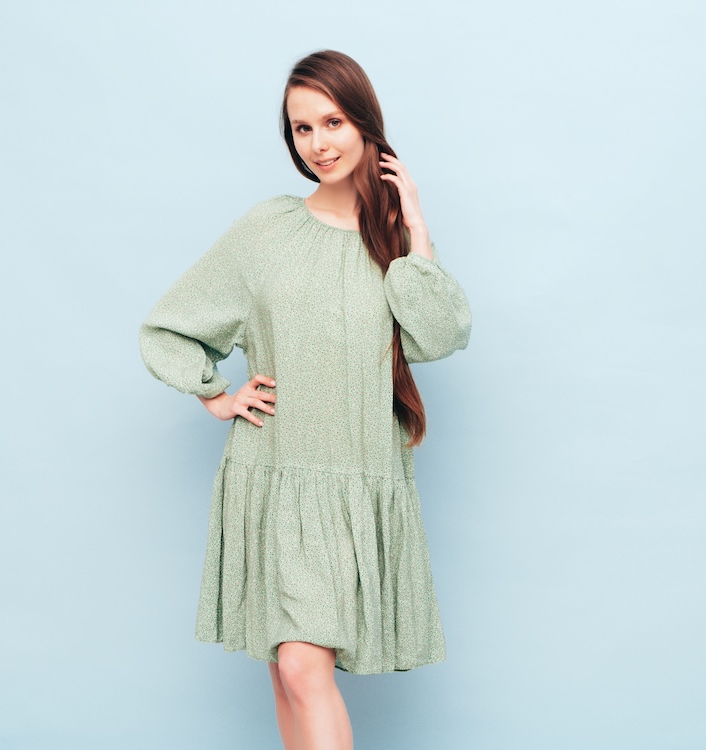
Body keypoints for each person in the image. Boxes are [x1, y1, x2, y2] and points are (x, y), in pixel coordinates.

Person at [138, 49, 471, 750]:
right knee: (290, 672)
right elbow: (171, 326)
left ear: (366, 125)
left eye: (333, 121)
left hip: (352, 474)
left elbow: (441, 336)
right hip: (274, 466)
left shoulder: (392, 246)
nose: (318, 143)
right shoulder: (269, 229)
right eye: (301, 129)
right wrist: (216, 396)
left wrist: (415, 225)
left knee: (301, 668)